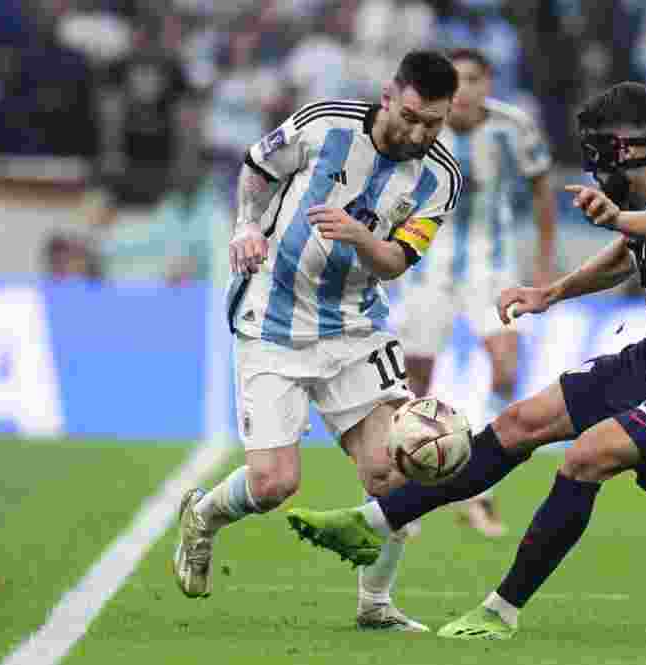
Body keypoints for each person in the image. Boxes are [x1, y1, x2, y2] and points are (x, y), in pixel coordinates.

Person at [286, 81, 646, 640]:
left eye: (598, 149)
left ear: (628, 148)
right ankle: (372, 522)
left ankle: (501, 611)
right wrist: (552, 293)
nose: (593, 162)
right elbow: (628, 255)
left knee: (587, 457)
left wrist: (619, 219)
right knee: (519, 423)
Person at [172, 51, 463, 634]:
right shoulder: (324, 122)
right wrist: (247, 226)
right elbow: (257, 168)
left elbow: (395, 263)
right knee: (274, 485)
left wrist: (357, 235)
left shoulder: (441, 179)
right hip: (271, 321)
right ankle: (201, 517)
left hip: (356, 327)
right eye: (410, 116)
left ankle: (375, 604)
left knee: (395, 470)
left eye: (434, 122)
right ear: (388, 96)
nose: (419, 132)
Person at [396, 47, 557, 538]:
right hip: (426, 265)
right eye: (456, 81)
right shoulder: (423, 124)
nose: (464, 90)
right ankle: (404, 494)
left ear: (488, 84)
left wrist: (544, 262)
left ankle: (477, 490)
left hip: (493, 267)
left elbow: (541, 188)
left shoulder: (515, 127)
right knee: (414, 383)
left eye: (473, 80)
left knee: (507, 369)